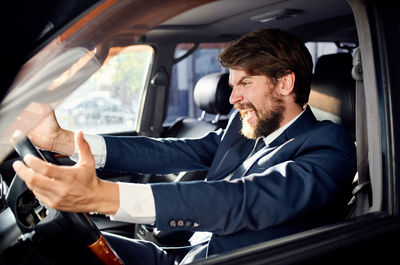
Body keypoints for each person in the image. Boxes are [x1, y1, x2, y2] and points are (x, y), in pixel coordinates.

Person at [13, 28, 357, 264]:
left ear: (285, 83)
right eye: (232, 83)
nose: (233, 97)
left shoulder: (330, 147)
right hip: (185, 255)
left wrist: (104, 196)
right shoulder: (242, 129)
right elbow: (169, 151)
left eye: (246, 83)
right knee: (51, 243)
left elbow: (241, 199)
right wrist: (61, 140)